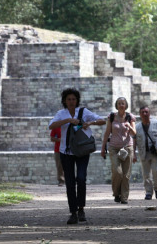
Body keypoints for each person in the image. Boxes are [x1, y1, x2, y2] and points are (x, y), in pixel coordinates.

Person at [49, 88, 106, 224]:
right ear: (64, 101)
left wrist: (89, 123)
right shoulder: (61, 114)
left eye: (73, 99)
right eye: (68, 99)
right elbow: (51, 126)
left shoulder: (83, 112)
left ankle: (81, 209)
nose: (71, 102)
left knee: (81, 178)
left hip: (81, 152)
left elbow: (102, 120)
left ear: (77, 100)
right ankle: (73, 212)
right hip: (65, 152)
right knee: (69, 182)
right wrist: (68, 120)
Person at [100, 97, 136, 204]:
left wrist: (129, 126)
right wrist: (103, 148)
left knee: (126, 174)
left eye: (123, 103)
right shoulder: (111, 117)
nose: (121, 105)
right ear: (117, 105)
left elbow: (134, 133)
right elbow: (107, 133)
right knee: (117, 172)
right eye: (119, 103)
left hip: (127, 147)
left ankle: (124, 197)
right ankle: (116, 193)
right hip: (114, 148)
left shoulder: (130, 117)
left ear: (126, 105)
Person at [134, 105, 157, 200]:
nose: (145, 114)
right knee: (146, 174)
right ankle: (148, 192)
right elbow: (134, 141)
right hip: (143, 152)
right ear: (140, 114)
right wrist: (133, 153)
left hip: (155, 152)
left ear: (149, 113)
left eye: (146, 112)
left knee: (156, 171)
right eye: (143, 112)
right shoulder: (137, 127)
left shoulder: (156, 123)